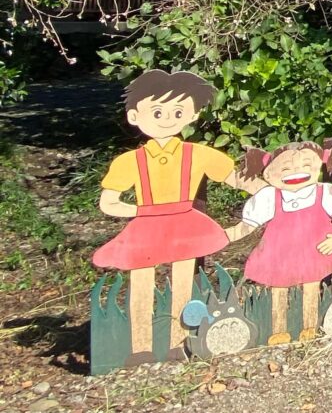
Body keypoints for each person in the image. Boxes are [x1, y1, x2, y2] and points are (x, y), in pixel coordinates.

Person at [94, 70, 259, 364]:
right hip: (146, 227)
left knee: (183, 283)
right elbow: (108, 202)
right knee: (141, 284)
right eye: (157, 112)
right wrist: (141, 211)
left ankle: (178, 343)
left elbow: (236, 179)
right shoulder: (129, 162)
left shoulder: (199, 154)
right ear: (134, 116)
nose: (167, 119)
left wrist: (275, 189)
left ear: (192, 115)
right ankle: (140, 347)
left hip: (185, 224)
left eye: (178, 112)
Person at [224, 139, 332, 344]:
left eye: (306, 165)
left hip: (313, 249)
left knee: (311, 285)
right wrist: (224, 236)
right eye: (286, 168)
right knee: (278, 288)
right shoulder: (269, 197)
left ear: (318, 166)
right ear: (269, 175)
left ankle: (309, 327)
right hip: (280, 253)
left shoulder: (325, 193)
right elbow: (247, 226)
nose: (296, 171)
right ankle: (278, 330)